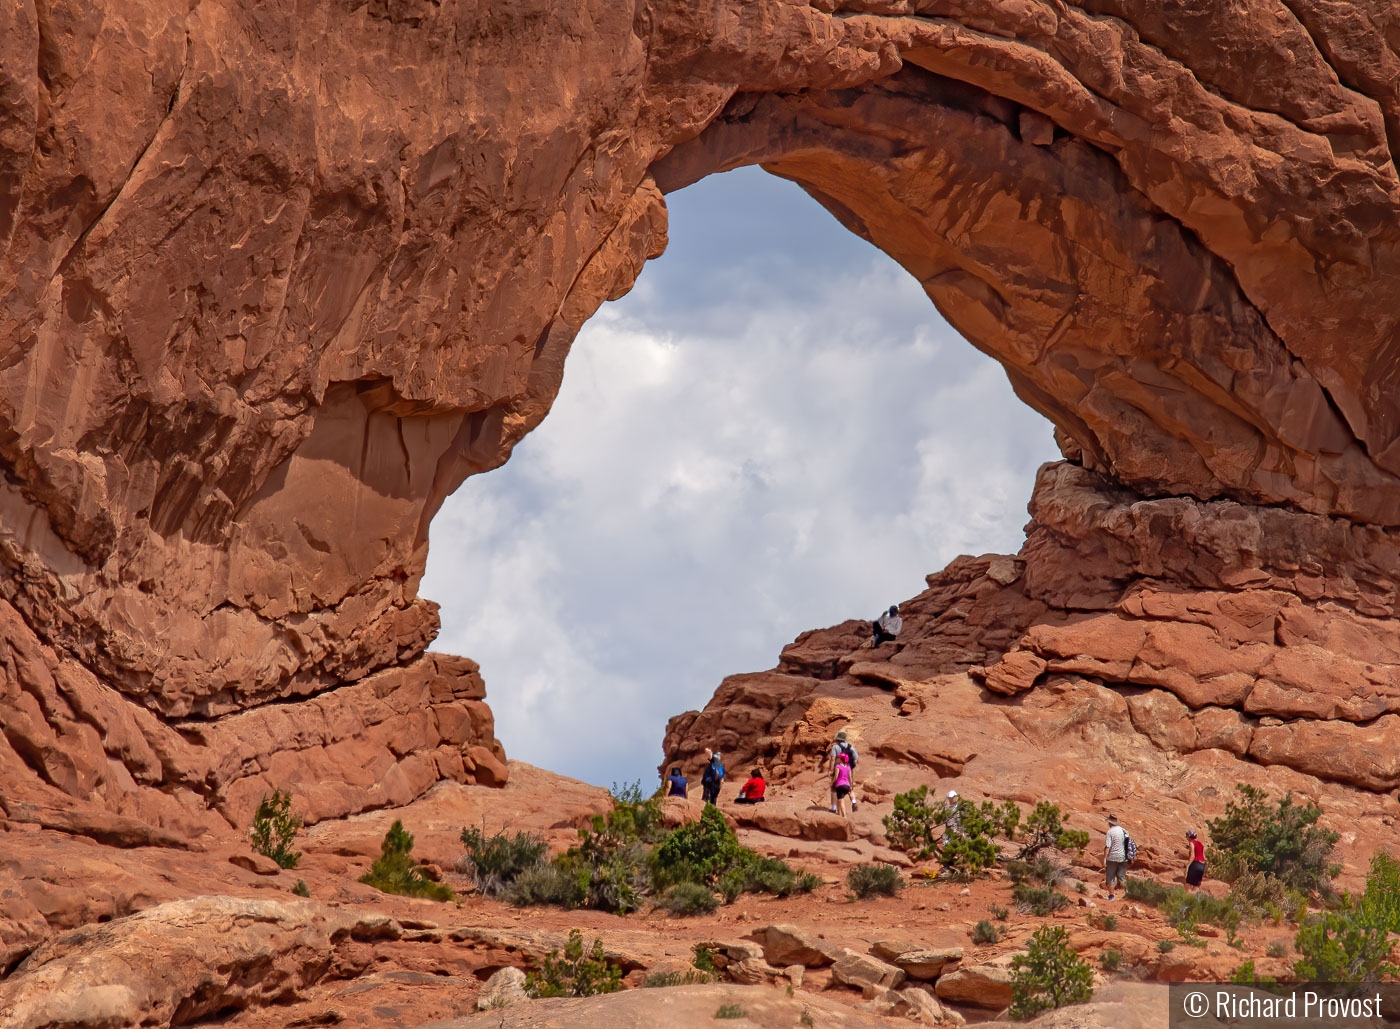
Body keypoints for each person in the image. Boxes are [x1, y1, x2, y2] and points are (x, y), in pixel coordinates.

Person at [827, 731, 859, 813]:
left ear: (838, 739)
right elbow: (855, 758)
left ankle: (834, 808)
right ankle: (854, 801)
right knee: (849, 787)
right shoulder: (851, 747)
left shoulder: (835, 747)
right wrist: (851, 767)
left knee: (834, 788)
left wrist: (830, 770)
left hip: (837, 769)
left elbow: (833, 759)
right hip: (848, 769)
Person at [1104, 814, 1128, 900]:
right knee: (1121, 877)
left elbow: (1108, 846)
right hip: (1123, 857)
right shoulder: (1124, 831)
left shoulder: (1110, 832)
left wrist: (1104, 858)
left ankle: (1111, 896)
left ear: (1109, 823)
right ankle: (1129, 893)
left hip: (1112, 857)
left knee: (1110, 876)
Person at [832, 752, 854, 817]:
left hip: (840, 785)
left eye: (839, 758)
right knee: (840, 798)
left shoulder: (838, 766)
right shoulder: (848, 767)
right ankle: (838, 812)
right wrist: (851, 786)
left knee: (841, 800)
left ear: (841, 759)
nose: (838, 759)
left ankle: (844, 815)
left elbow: (836, 776)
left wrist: (833, 783)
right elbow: (850, 777)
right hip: (847, 785)